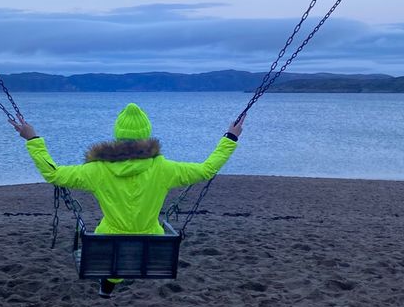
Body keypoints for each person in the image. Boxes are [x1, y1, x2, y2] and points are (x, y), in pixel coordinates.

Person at [13, 103, 243, 297]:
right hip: (152, 243)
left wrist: (32, 138)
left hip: (108, 242)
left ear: (118, 136)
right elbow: (207, 170)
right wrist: (230, 137)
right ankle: (111, 281)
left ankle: (108, 283)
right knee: (140, 241)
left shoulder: (97, 170)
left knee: (109, 243)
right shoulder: (164, 169)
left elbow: (53, 174)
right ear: (147, 136)